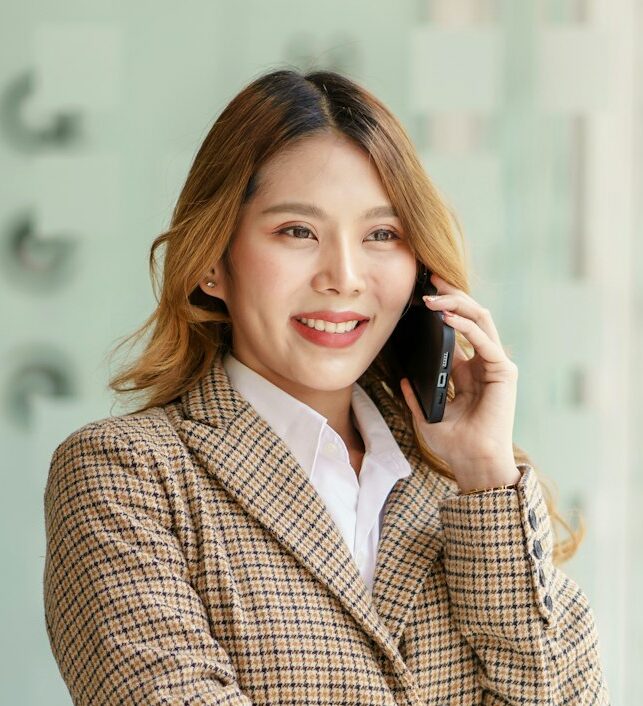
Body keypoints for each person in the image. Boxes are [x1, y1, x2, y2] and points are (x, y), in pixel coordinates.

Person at [43, 68, 610, 705]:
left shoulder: (467, 491)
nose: (343, 276)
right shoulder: (127, 475)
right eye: (297, 232)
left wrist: (483, 472)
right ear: (210, 263)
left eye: (382, 235)